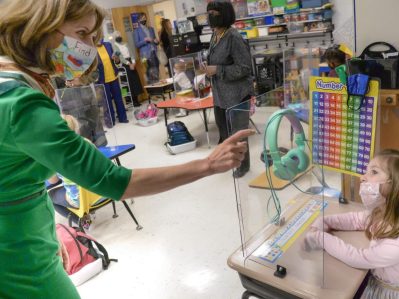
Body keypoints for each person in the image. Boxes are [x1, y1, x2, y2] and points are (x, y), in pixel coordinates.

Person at [0, 1, 253, 298]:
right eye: (82, 33)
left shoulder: (13, 81)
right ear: (40, 25)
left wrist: (49, 240)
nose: (88, 48)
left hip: (28, 234)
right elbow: (113, 180)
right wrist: (208, 164)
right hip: (15, 249)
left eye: (93, 38)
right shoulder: (21, 103)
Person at [304, 149, 399, 299]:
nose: (362, 178)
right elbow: (356, 219)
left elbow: (359, 258)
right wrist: (325, 221)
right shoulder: (381, 212)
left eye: (373, 172)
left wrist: (320, 238)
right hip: (379, 281)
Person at [202, 0, 254, 178]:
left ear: (224, 14)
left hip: (237, 94)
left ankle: (243, 166)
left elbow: (245, 68)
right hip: (220, 94)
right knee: (224, 132)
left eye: (214, 13)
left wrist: (218, 69)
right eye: (208, 12)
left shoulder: (233, 36)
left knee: (238, 134)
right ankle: (231, 161)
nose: (210, 16)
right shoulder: (215, 35)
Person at [48, 115, 107, 227]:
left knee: (51, 196)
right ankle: (88, 214)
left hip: (80, 200)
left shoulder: (54, 154)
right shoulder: (87, 143)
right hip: (103, 192)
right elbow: (101, 163)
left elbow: (53, 181)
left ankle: (85, 223)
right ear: (76, 128)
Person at [96, 38, 129, 126]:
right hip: (102, 80)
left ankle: (123, 118)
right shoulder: (91, 49)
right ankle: (111, 121)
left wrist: (117, 59)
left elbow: (116, 62)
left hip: (113, 76)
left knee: (118, 98)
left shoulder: (108, 45)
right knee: (106, 101)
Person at [113, 31, 144, 107]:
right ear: (114, 37)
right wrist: (129, 64)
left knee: (135, 82)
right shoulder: (115, 45)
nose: (119, 36)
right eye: (117, 35)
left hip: (131, 62)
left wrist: (133, 62)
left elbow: (131, 53)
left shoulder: (125, 43)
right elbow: (120, 57)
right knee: (126, 83)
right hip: (123, 64)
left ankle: (136, 100)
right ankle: (128, 101)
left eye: (119, 35)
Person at [133, 13, 160, 84]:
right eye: (142, 19)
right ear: (138, 20)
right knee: (150, 70)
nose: (144, 20)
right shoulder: (136, 31)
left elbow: (154, 40)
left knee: (156, 69)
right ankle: (152, 88)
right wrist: (145, 40)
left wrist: (156, 41)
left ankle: (157, 87)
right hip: (145, 55)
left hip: (154, 52)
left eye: (145, 18)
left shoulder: (151, 29)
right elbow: (137, 44)